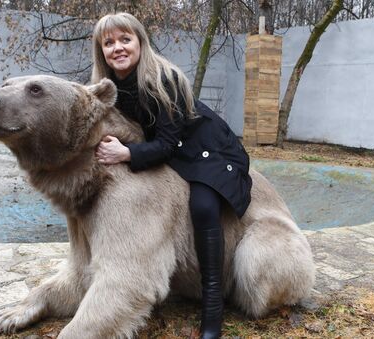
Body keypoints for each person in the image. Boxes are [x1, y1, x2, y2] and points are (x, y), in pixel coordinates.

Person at [91, 13, 252, 339]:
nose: (118, 48)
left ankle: (212, 306)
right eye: (109, 43)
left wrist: (127, 154)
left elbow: (165, 143)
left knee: (204, 206)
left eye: (125, 40)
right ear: (101, 52)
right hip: (173, 151)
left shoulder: (165, 78)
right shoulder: (109, 88)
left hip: (206, 149)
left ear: (140, 42)